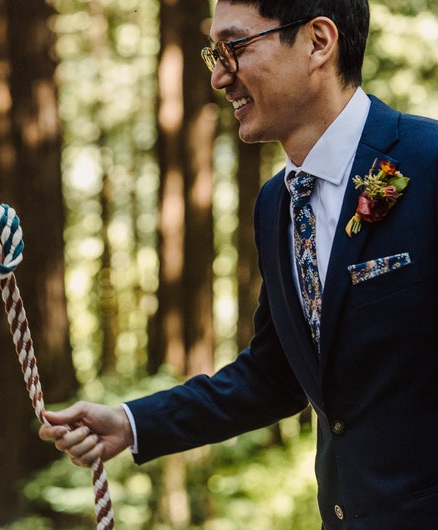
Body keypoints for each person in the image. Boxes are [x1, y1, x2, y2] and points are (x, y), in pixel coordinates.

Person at [39, 1, 438, 528]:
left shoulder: (428, 162)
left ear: (319, 41)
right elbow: (275, 377)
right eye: (214, 52)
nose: (218, 76)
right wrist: (131, 423)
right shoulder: (276, 205)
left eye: (235, 48)